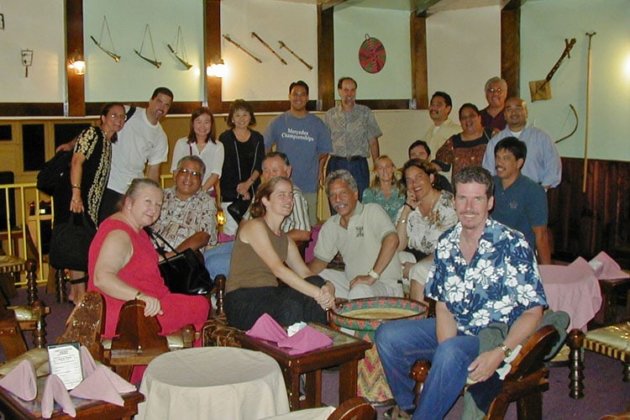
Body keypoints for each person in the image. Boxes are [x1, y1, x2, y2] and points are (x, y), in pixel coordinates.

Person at [375, 166, 547, 419]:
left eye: (477, 198)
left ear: (490, 202)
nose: (468, 207)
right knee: (387, 335)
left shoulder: (512, 243)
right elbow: (443, 306)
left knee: (450, 353)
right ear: (453, 200)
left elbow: (534, 312)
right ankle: (407, 406)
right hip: (456, 330)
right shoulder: (446, 243)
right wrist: (448, 345)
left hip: (493, 336)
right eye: (462, 198)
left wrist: (501, 351)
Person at [88, 178, 210, 342]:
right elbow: (101, 278)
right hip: (128, 314)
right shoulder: (119, 235)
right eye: (148, 202)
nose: (154, 209)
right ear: (129, 203)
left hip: (144, 306)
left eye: (158, 205)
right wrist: (140, 297)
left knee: (195, 301)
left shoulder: (137, 230)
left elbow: (147, 260)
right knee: (201, 306)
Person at [224, 176, 336, 330]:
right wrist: (318, 294)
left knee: (315, 283)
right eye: (281, 195)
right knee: (291, 306)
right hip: (242, 300)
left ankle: (316, 342)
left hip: (270, 295)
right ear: (265, 201)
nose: (288, 199)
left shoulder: (286, 240)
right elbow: (277, 268)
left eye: (290, 195)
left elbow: (305, 273)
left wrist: (327, 286)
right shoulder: (254, 226)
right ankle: (295, 349)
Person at [204, 151, 312, 279]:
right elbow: (246, 219)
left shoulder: (293, 195)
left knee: (214, 264)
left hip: (271, 250)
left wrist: (269, 240)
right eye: (265, 171)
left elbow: (304, 233)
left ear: (287, 171)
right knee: (207, 255)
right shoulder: (262, 190)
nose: (269, 175)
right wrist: (241, 243)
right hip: (250, 244)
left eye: (274, 170)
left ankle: (230, 291)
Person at [61, 102, 126, 302]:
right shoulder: (93, 133)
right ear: (103, 118)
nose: (119, 119)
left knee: (83, 245)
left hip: (91, 202)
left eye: (122, 116)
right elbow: (77, 161)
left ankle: (78, 292)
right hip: (78, 199)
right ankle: (77, 293)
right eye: (114, 115)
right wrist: (76, 194)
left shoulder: (106, 142)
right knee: (78, 244)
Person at [309, 170, 403, 299]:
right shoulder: (331, 225)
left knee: (359, 291)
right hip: (353, 283)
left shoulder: (372, 211)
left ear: (355, 193)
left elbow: (392, 240)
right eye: (332, 195)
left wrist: (371, 276)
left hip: (386, 285)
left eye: (343, 193)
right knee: (316, 279)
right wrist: (296, 279)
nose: (337, 200)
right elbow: (319, 263)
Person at [99, 87, 174, 222]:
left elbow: (153, 172)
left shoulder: (161, 137)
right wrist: (71, 145)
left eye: (166, 105)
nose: (162, 107)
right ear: (150, 101)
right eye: (159, 101)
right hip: (109, 186)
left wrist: (153, 200)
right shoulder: (128, 112)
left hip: (132, 192)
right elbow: (100, 131)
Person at [265, 81, 332, 225]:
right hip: (281, 185)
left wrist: (317, 168)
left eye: (302, 95)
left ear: (307, 98)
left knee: (309, 225)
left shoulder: (317, 124)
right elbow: (266, 147)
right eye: (295, 94)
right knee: (280, 224)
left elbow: (324, 151)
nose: (298, 98)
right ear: (289, 96)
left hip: (308, 184)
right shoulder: (278, 122)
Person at [395, 159, 457, 303]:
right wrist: (406, 210)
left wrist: (414, 267)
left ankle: (415, 321)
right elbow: (398, 246)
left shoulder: (449, 203)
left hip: (445, 258)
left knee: (418, 271)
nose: (414, 184)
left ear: (431, 178)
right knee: (390, 261)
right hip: (417, 257)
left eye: (418, 177)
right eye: (409, 180)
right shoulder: (410, 208)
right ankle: (394, 314)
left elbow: (449, 245)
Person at [491, 137, 551, 264]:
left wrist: (547, 272)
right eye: (497, 157)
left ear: (519, 163)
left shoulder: (533, 190)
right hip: (491, 252)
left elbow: (541, 235)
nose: (499, 163)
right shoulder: (489, 184)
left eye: (506, 158)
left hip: (520, 255)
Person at [482, 97, 562, 189]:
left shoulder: (541, 138)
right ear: (504, 115)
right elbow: (488, 171)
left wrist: (542, 190)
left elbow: (553, 166)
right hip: (504, 193)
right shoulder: (495, 141)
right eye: (509, 109)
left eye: (518, 108)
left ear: (526, 112)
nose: (513, 112)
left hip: (534, 192)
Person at [324, 77, 382, 198]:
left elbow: (373, 141)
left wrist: (377, 166)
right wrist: (319, 169)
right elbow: (324, 144)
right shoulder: (330, 115)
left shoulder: (365, 112)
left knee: (359, 202)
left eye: (352, 90)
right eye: (346, 90)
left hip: (358, 165)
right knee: (337, 201)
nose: (349, 94)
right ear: (339, 91)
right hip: (336, 164)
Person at [152, 156, 217, 253]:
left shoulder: (206, 202)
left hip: (181, 259)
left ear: (201, 179)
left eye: (195, 174)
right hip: (150, 253)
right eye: (184, 171)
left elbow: (204, 235)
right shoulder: (160, 196)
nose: (188, 177)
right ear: (176, 174)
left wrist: (172, 256)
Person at [219, 99, 265, 236]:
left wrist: (247, 185)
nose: (241, 119)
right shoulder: (225, 138)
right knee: (231, 233)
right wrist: (240, 189)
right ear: (231, 118)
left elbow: (259, 164)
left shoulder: (258, 138)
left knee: (254, 234)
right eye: (237, 115)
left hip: (253, 192)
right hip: (230, 193)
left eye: (245, 114)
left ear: (250, 116)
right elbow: (225, 167)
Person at [170, 107, 224, 194]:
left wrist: (200, 193)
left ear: (211, 124)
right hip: (183, 192)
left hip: (207, 193)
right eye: (198, 122)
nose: (202, 126)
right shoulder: (181, 143)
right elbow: (175, 171)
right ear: (193, 124)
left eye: (206, 122)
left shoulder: (218, 146)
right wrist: (186, 191)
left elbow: (215, 174)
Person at [435, 103, 492, 179]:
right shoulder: (454, 141)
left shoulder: (491, 136)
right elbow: (440, 164)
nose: (468, 120)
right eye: (463, 118)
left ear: (479, 117)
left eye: (471, 116)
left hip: (487, 188)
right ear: (460, 122)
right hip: (461, 189)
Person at [362, 155, 405, 223]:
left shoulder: (402, 191)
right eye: (380, 168)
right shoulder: (369, 193)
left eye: (387, 167)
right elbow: (366, 218)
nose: (385, 170)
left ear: (393, 169)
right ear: (376, 172)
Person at [423, 91, 462, 156]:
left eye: (438, 105)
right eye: (432, 104)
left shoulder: (456, 131)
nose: (434, 108)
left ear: (448, 109)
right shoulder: (428, 132)